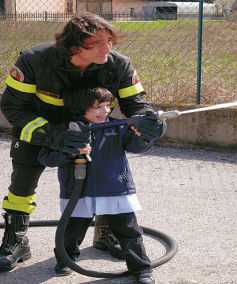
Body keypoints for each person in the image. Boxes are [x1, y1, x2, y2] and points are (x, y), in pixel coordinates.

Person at [0, 12, 166, 271]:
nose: (108, 48)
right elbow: (12, 106)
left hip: (92, 136)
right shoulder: (33, 60)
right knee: (22, 185)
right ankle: (16, 241)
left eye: (110, 41)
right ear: (74, 45)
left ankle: (104, 232)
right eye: (98, 43)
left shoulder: (119, 65)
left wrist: (149, 122)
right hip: (39, 131)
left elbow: (137, 105)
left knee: (102, 181)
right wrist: (52, 135)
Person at [37, 83, 155, 284]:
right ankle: (66, 260)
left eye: (108, 105)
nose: (106, 111)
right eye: (98, 107)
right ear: (81, 107)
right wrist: (71, 151)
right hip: (77, 191)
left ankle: (141, 269)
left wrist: (144, 135)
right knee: (71, 231)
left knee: (129, 231)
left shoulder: (118, 126)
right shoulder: (65, 130)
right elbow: (45, 157)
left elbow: (137, 147)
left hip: (115, 189)